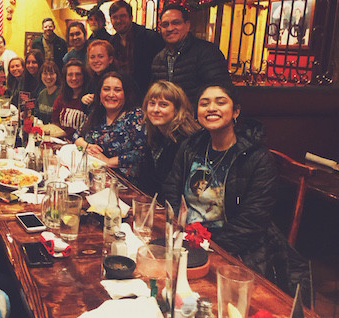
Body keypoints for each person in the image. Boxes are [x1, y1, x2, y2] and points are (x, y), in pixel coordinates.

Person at [162, 83, 310, 300]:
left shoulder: (258, 158)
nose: (211, 108)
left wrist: (209, 248)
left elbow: (252, 221)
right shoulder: (190, 146)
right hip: (184, 241)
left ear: (236, 111)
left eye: (220, 102)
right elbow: (171, 188)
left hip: (235, 251)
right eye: (204, 103)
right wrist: (179, 230)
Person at [151, 3, 231, 105]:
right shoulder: (158, 59)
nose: (170, 28)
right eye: (165, 25)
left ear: (187, 25)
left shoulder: (206, 52)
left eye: (176, 23)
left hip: (197, 118)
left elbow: (221, 90)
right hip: (169, 119)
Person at [75, 71, 146, 180]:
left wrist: (107, 162)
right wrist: (87, 146)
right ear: (100, 93)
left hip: (123, 183)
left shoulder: (135, 116)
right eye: (106, 89)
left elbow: (141, 153)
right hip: (93, 175)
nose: (111, 94)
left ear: (125, 93)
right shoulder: (96, 112)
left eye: (117, 90)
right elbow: (76, 136)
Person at [136, 80, 200, 200]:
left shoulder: (186, 141)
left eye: (163, 105)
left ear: (177, 109)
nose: (155, 109)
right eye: (152, 103)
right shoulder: (155, 134)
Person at [109, 0, 163, 100]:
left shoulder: (150, 38)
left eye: (122, 16)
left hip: (147, 95)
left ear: (131, 18)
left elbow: (159, 71)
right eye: (114, 17)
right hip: (122, 96)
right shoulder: (111, 42)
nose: (118, 20)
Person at [51, 59, 88, 139]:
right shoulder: (60, 98)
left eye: (78, 74)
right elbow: (55, 123)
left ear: (84, 76)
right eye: (70, 75)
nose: (74, 78)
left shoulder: (88, 99)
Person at [81, 40, 116, 107]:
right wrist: (84, 99)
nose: (96, 61)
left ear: (110, 59)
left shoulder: (120, 79)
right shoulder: (91, 81)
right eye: (92, 57)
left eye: (100, 56)